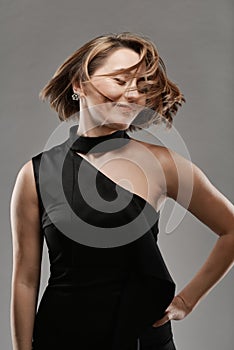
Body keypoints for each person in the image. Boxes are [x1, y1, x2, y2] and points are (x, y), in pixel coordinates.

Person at [10, 32, 234, 350]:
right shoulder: (34, 175)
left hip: (142, 340)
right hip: (61, 337)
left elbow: (231, 228)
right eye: (120, 80)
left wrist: (187, 300)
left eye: (142, 87)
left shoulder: (164, 164)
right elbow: (25, 277)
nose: (132, 95)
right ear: (79, 84)